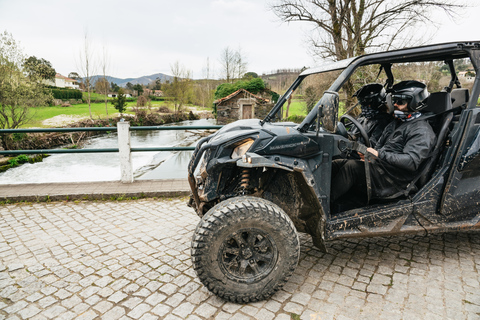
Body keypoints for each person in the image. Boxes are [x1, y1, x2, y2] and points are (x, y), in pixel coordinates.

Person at [331, 80, 436, 206]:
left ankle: (323, 205)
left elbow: (411, 162)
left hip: (394, 179)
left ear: (415, 103)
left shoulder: (421, 130)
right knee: (337, 164)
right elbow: (379, 146)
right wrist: (370, 155)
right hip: (382, 167)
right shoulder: (396, 122)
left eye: (400, 102)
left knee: (351, 168)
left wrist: (379, 155)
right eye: (394, 101)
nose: (395, 105)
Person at [351, 83, 393, 147]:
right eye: (361, 103)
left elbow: (372, 146)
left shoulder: (384, 123)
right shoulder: (361, 120)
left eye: (367, 103)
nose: (363, 107)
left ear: (377, 102)